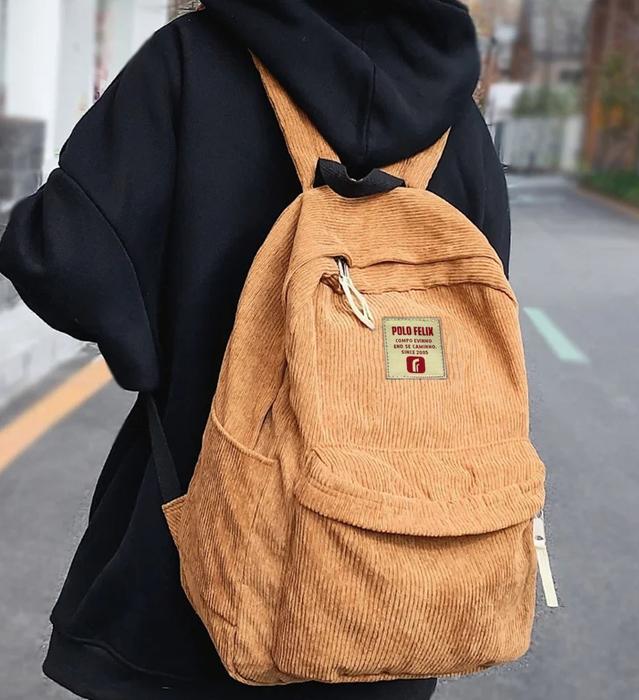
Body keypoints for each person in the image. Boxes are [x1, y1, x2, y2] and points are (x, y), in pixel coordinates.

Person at [0, 1, 510, 698]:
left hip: (196, 567)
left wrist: (151, 350)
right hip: (394, 583)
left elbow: (61, 260)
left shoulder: (189, 63)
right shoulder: (461, 124)